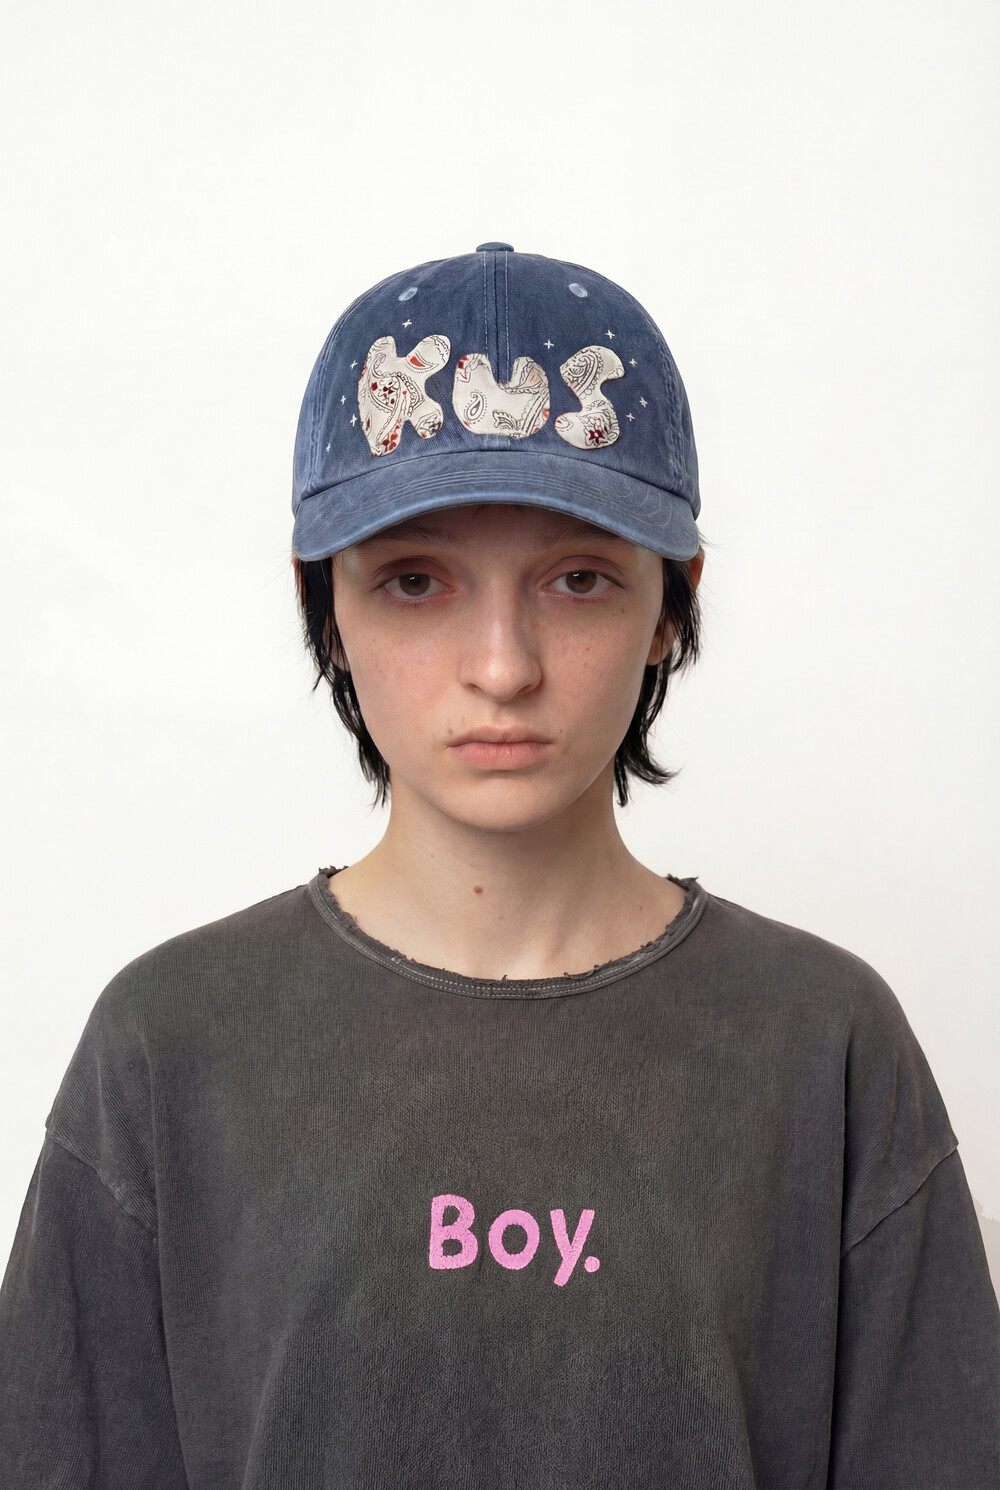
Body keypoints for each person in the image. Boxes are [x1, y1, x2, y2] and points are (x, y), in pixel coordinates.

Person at [1, 242, 997, 1487]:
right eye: (415, 580)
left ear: (671, 602)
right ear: (323, 604)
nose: (501, 666)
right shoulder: (169, 1044)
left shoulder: (823, 1043)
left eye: (577, 579)